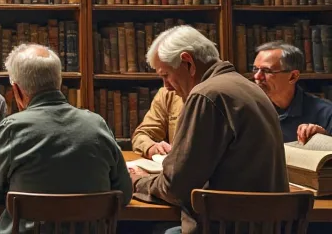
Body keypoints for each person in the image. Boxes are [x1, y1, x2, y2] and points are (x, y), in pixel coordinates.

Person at [128, 26, 288, 234]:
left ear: (188, 63)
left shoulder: (207, 95)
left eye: (166, 75)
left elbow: (176, 188)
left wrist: (137, 180)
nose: (166, 86)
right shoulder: (249, 88)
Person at [0, 44, 131, 234]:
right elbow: (124, 194)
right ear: (59, 82)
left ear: (17, 91)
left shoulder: (13, 128)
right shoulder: (97, 125)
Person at [252, 41, 332, 143]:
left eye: (266, 71)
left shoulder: (327, 114)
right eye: (255, 69)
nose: (257, 76)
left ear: (293, 76)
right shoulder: (248, 110)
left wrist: (325, 140)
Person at [131, 88, 184, 158]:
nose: (166, 85)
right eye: (163, 78)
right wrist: (152, 148)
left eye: (167, 76)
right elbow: (141, 135)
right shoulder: (168, 93)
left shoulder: (202, 96)